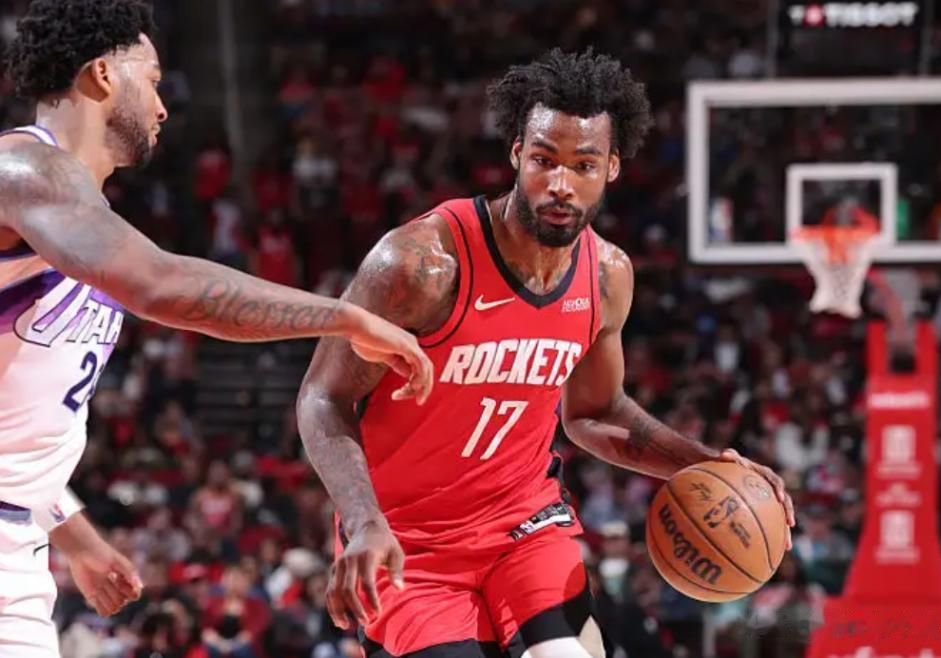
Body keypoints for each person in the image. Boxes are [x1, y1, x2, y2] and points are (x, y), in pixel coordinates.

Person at [297, 48, 796, 658]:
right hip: (408, 542)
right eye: (544, 160)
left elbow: (596, 412)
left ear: (611, 168)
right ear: (516, 155)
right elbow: (323, 398)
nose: (561, 184)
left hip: (524, 527)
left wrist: (709, 466)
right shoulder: (421, 265)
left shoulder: (606, 276)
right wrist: (362, 520)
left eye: (583, 165)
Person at [0, 1, 433, 656]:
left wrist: (75, 535)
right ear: (102, 74)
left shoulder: (73, 214)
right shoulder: (27, 169)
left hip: (23, 544)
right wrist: (345, 315)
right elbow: (162, 285)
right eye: (151, 79)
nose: (162, 106)